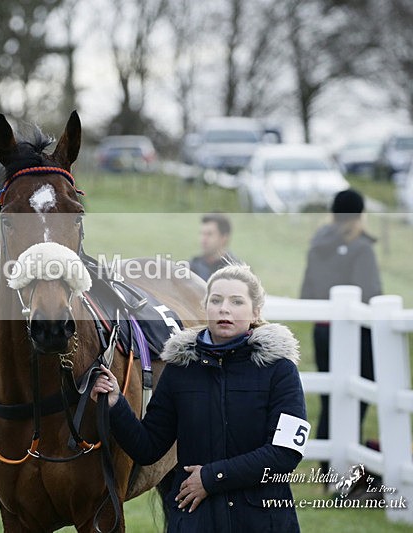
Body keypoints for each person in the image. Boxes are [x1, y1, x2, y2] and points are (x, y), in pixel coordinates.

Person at [92, 264, 308, 532]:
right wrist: (116, 404)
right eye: (216, 300)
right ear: (205, 307)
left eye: (236, 302)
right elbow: (148, 448)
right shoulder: (180, 369)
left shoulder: (280, 370)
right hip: (195, 521)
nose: (224, 309)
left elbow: (285, 454)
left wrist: (210, 478)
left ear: (255, 312)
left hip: (263, 522)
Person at [300, 188, 381, 473]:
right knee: (357, 396)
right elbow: (371, 293)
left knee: (330, 398)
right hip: (357, 332)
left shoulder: (318, 244)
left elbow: (307, 293)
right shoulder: (361, 248)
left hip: (322, 331)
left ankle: (328, 467)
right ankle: (344, 467)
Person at [189, 213, 237, 281]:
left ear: (224, 238)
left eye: (209, 234)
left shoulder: (235, 272)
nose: (203, 239)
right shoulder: (191, 268)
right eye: (202, 233)